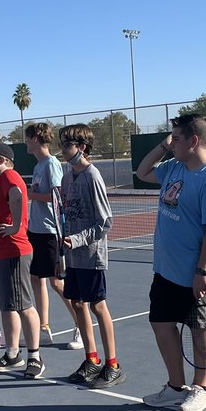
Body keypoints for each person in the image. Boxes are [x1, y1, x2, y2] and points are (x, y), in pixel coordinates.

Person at [135, 113, 206, 411]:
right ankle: (176, 387)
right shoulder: (174, 167)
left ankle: (201, 389)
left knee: (200, 329)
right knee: (161, 323)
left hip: (198, 272)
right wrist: (164, 145)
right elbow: (142, 171)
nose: (172, 142)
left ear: (194, 140)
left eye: (177, 138)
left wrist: (202, 271)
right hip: (166, 269)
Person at [57, 123, 124, 388]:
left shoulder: (92, 176)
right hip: (72, 257)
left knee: (98, 306)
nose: (62, 149)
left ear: (82, 147)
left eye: (67, 144)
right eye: (61, 144)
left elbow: (105, 222)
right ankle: (92, 359)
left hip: (91, 255)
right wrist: (64, 244)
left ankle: (113, 364)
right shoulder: (66, 178)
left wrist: (77, 239)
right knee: (77, 303)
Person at [0, 142, 44, 378]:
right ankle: (13, 354)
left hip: (14, 253)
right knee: (7, 306)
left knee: (24, 306)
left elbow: (17, 196)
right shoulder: (1, 180)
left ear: (1, 160)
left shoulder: (9, 176)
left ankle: (35, 356)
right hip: (0, 255)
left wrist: (16, 226)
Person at [24, 122, 83, 351]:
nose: (26, 143)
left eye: (28, 138)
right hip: (35, 231)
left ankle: (80, 325)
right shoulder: (38, 166)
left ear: (37, 139)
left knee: (57, 283)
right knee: (36, 279)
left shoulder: (51, 165)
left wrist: (30, 194)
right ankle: (44, 328)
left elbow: (58, 197)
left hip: (50, 231)